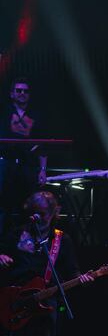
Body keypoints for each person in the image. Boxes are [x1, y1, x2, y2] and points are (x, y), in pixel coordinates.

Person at [0, 191, 93, 336]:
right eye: (32, 213)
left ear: (53, 213)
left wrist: (82, 279)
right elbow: (2, 253)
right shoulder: (15, 234)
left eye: (41, 214)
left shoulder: (61, 240)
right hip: (16, 299)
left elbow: (72, 272)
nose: (36, 218)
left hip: (46, 302)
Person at [0, 78, 47, 233]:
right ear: (12, 94)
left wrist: (42, 170)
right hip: (6, 164)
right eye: (19, 90)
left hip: (28, 166)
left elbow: (42, 145)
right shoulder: (4, 113)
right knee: (4, 205)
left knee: (27, 206)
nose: (22, 94)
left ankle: (26, 243)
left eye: (25, 91)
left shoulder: (37, 116)